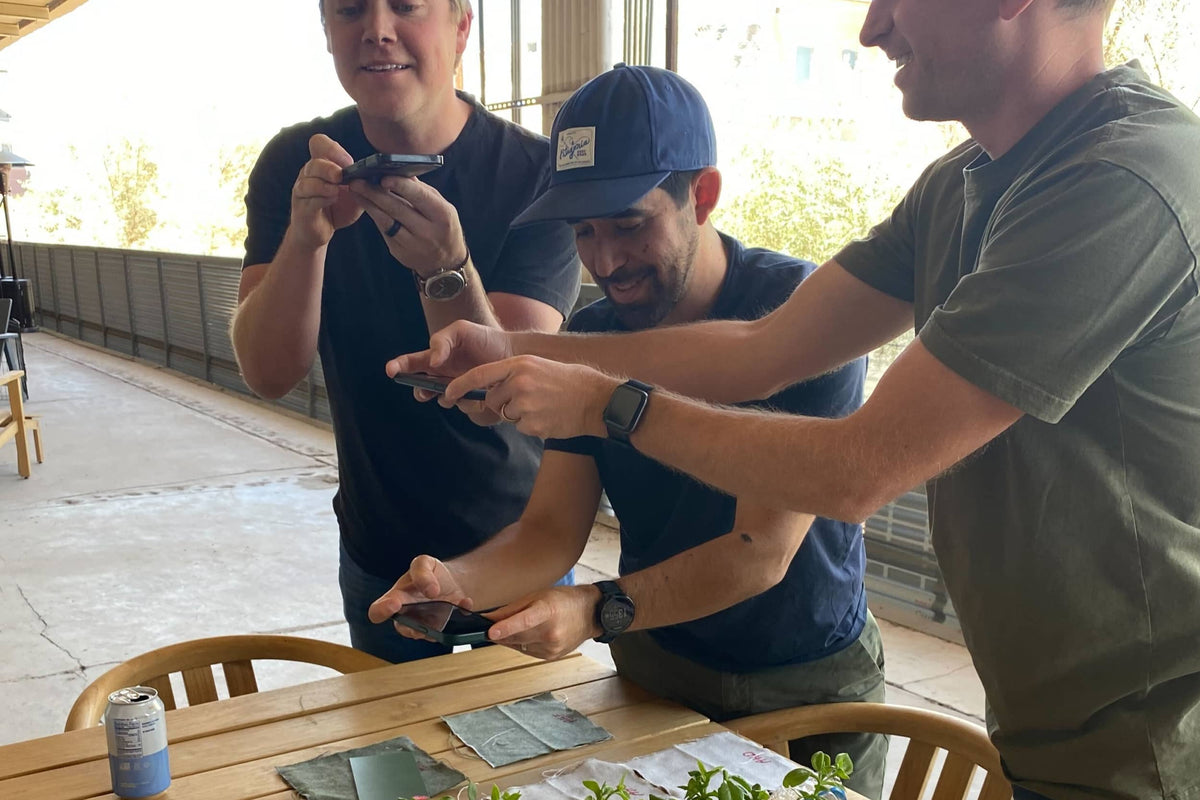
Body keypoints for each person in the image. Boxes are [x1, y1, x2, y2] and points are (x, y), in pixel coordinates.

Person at [385, 0, 1200, 797]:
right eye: (584, 232)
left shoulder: (1121, 178)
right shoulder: (960, 186)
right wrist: (518, 351)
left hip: (1149, 738)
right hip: (1045, 715)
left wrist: (609, 409)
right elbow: (760, 349)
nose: (874, 25)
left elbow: (857, 472)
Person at [369, 64, 887, 799]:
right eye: (583, 230)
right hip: (655, 676)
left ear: (701, 195)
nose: (606, 260)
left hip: (804, 685)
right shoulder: (592, 333)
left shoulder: (799, 318)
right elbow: (550, 530)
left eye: (630, 223)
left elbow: (759, 554)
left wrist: (597, 609)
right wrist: (458, 583)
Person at [230, 0, 581, 664]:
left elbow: (497, 399)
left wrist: (446, 267)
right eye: (350, 10)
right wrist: (306, 241)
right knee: (399, 766)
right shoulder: (293, 166)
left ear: (461, 27)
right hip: (379, 556)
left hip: (515, 554)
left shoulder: (538, 176)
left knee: (534, 766)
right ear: (328, 33)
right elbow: (268, 371)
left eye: (406, 6)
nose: (377, 29)